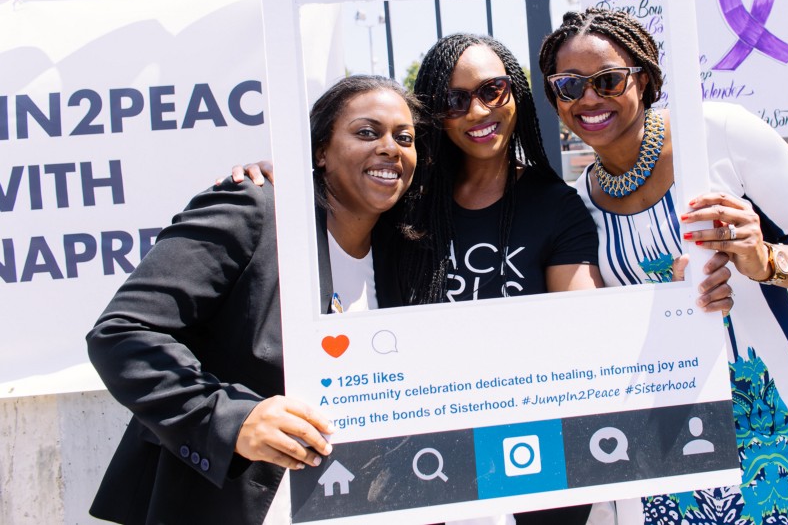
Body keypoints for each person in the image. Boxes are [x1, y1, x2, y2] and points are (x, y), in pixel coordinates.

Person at [234, 33, 735, 525]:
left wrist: (671, 302)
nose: (478, 112)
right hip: (423, 460)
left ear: (515, 94)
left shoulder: (552, 204)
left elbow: (588, 321)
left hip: (539, 458)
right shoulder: (402, 199)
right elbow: (337, 207)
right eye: (455, 100)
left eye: (493, 91)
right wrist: (290, 180)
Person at [537, 8, 788, 525]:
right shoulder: (580, 211)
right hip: (654, 437)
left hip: (765, 420)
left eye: (608, 79)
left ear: (644, 78)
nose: (589, 98)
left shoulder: (720, 135)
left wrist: (764, 260)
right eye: (569, 85)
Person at [86, 76, 421, 524]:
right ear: (320, 151)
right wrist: (230, 420)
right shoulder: (257, 208)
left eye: (405, 138)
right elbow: (122, 332)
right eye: (366, 132)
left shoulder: (405, 252)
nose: (389, 147)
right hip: (227, 506)